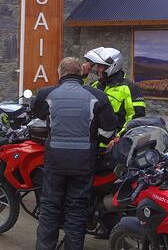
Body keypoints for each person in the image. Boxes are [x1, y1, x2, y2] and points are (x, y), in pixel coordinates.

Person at [32, 57, 118, 250]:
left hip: (55, 161)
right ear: (81, 73)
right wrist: (96, 143)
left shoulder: (46, 94)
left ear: (60, 73)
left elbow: (37, 114)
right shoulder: (98, 96)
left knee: (50, 208)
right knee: (77, 210)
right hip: (83, 161)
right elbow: (109, 130)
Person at [83, 47, 146, 136]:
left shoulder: (131, 88)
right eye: (97, 66)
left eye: (100, 66)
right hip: (93, 141)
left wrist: (119, 138)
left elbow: (136, 118)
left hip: (114, 144)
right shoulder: (95, 85)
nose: (97, 70)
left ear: (111, 66)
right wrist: (82, 77)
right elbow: (78, 97)